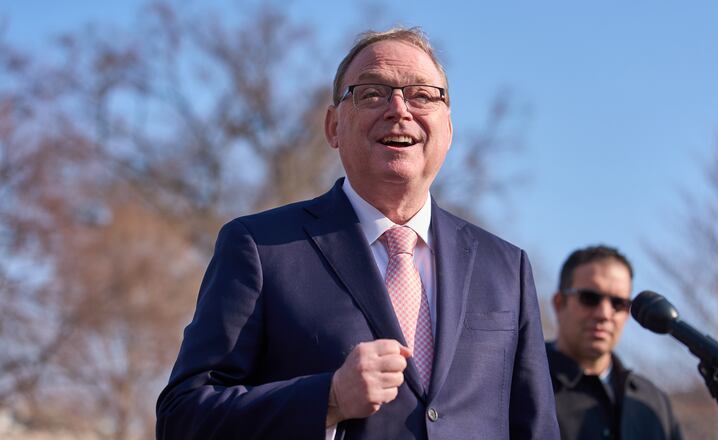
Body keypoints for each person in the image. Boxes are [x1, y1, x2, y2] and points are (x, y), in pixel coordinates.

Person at [156, 27, 559, 439]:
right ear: (333, 127)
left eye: (422, 95)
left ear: (449, 129)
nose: (399, 109)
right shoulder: (261, 248)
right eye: (371, 93)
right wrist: (327, 399)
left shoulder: (506, 267)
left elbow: (536, 428)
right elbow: (182, 417)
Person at [546, 245, 682, 439]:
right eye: (589, 298)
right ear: (559, 303)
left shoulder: (654, 402)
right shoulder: (522, 384)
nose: (604, 314)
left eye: (618, 303)